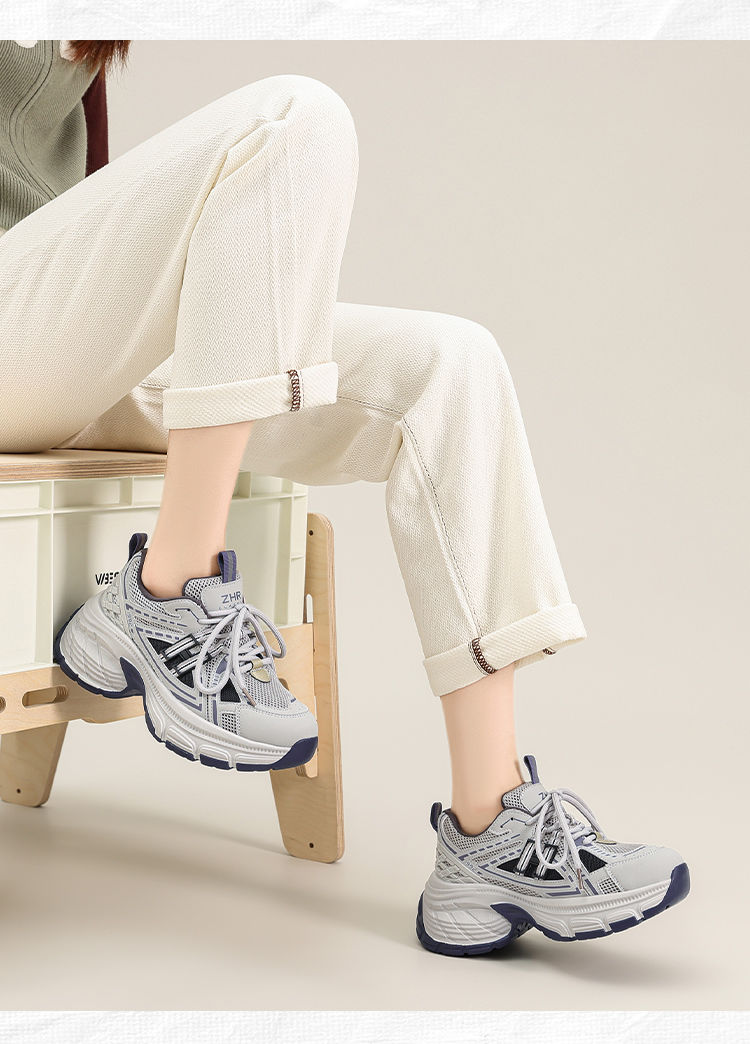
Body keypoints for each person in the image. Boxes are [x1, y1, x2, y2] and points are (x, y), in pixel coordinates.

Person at [0, 40, 689, 955]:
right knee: (294, 118)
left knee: (448, 364)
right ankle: (168, 593)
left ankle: (489, 830)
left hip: (53, 348)